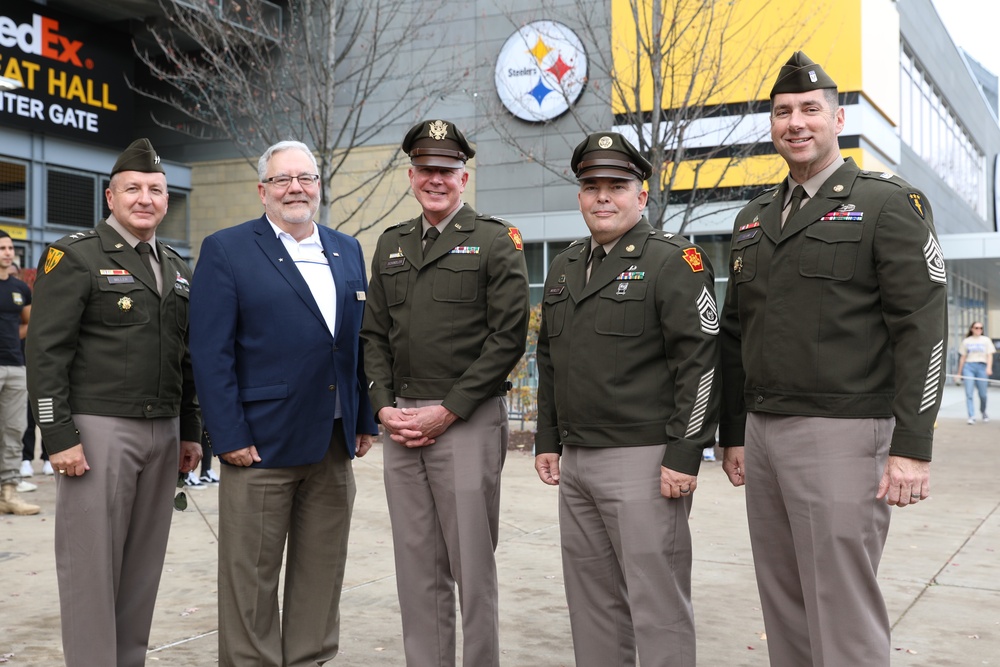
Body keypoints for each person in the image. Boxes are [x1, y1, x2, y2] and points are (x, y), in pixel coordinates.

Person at [718, 52, 948, 667]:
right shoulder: (752, 218)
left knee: (841, 610)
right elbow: (735, 332)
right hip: (763, 433)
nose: (796, 122)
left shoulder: (887, 204)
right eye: (783, 112)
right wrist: (733, 429)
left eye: (809, 109)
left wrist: (913, 444)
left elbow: (922, 328)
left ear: (837, 119)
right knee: (783, 604)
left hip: (843, 431)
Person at [533, 132, 720, 667]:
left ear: (642, 195)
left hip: (644, 461)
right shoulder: (566, 265)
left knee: (657, 606)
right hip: (578, 461)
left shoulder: (673, 260)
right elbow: (550, 360)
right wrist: (548, 439)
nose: (603, 197)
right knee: (591, 605)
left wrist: (685, 453)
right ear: (579, 196)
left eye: (616, 186)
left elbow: (701, 363)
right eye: (592, 186)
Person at [189, 140, 378, 667]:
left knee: (322, 573)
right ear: (263, 190)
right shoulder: (227, 249)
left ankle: (309, 659)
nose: (295, 188)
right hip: (261, 445)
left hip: (334, 444)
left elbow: (359, 343)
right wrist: (227, 435)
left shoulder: (346, 248)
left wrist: (364, 417)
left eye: (305, 178)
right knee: (250, 580)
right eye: (282, 179)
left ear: (318, 186)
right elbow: (210, 352)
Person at [25, 138, 202, 666]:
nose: (145, 198)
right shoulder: (75, 255)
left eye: (156, 190)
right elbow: (46, 352)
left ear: (166, 199)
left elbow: (185, 358)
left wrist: (191, 430)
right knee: (90, 570)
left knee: (142, 571)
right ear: (110, 196)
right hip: (98, 433)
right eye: (133, 188)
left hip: (163, 433)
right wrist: (59, 436)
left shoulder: (176, 266)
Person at [360, 119, 529, 666]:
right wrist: (383, 405)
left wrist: (449, 410)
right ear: (411, 176)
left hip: (467, 419)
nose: (435, 179)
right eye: (425, 169)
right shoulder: (392, 244)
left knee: (472, 567)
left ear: (463, 177)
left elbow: (507, 338)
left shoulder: (495, 241)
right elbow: (373, 335)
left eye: (446, 170)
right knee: (416, 566)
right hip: (402, 423)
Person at [0, 237, 38, 513]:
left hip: (15, 366)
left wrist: (11, 338)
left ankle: (8, 494)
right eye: (2, 248)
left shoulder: (20, 288)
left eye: (10, 248)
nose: (8, 253)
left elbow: (29, 321)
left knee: (14, 430)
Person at [955, 322, 995, 424]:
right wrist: (959, 373)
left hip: (982, 367)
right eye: (976, 327)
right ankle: (971, 416)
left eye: (981, 328)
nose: (979, 329)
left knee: (983, 394)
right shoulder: (966, 341)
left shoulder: (986, 340)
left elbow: (990, 355)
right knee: (969, 393)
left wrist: (989, 367)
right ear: (972, 329)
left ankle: (983, 411)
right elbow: (963, 357)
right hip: (969, 367)